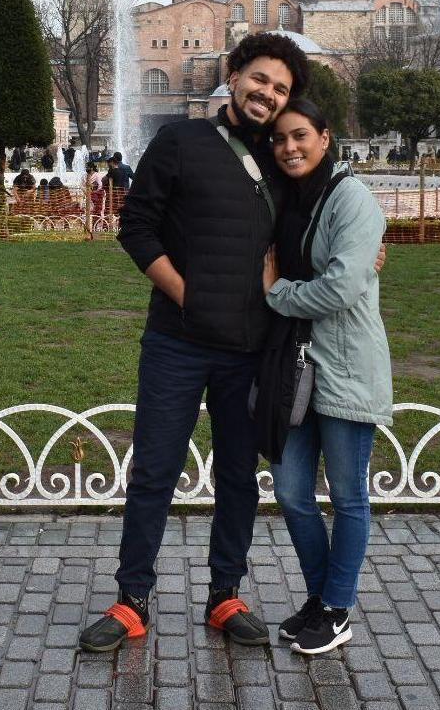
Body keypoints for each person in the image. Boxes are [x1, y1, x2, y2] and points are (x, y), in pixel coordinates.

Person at [78, 33, 311, 654]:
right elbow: (137, 227)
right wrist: (187, 296)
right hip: (177, 342)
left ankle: (225, 594)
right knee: (155, 470)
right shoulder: (181, 141)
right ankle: (132, 599)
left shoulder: (284, 159)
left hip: (249, 346)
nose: (267, 94)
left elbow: (316, 229)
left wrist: (366, 251)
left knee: (238, 475)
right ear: (234, 75)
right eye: (260, 79)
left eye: (281, 89)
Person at [262, 98, 392, 655]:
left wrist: (277, 292)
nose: (289, 147)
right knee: (292, 493)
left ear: (324, 136)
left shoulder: (351, 197)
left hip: (345, 364)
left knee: (347, 495)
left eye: (299, 136)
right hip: (294, 366)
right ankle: (321, 599)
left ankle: (337, 608)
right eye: (279, 139)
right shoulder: (286, 198)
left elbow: (340, 288)